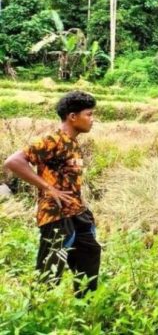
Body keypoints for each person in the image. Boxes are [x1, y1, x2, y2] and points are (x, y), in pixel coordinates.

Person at [3, 91, 101, 297]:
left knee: (89, 257)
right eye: (89, 114)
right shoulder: (52, 139)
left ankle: (86, 308)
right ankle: (38, 309)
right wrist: (47, 187)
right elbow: (14, 161)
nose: (92, 120)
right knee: (50, 271)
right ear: (72, 117)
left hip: (76, 212)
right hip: (55, 214)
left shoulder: (72, 142)